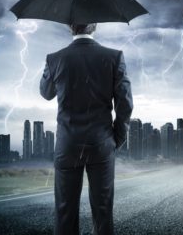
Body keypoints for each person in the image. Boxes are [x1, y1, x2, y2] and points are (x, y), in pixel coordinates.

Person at [40, 23, 133, 235]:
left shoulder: (55, 58)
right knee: (102, 213)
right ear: (95, 26)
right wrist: (115, 139)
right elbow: (125, 103)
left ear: (69, 26)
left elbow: (46, 93)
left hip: (68, 144)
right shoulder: (114, 57)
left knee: (64, 211)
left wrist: (54, 68)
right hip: (101, 144)